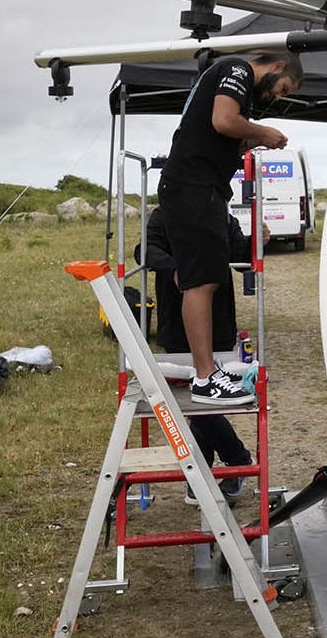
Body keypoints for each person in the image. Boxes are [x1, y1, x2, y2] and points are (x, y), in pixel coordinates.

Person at [159, 49, 301, 406]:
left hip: (201, 189)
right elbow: (224, 120)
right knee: (200, 282)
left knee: (207, 278)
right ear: (277, 66)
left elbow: (224, 135)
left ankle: (207, 372)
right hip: (193, 188)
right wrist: (263, 130)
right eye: (282, 88)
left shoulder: (236, 87)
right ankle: (205, 378)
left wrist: (258, 138)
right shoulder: (235, 69)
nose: (277, 96)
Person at [137, 206, 255, 504]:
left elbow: (243, 260)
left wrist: (257, 241)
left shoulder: (222, 216)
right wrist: (176, 269)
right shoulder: (164, 215)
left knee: (204, 404)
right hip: (177, 325)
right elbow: (144, 250)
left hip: (220, 325)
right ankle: (233, 462)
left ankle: (203, 477)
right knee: (194, 405)